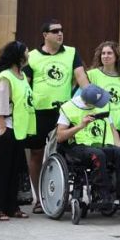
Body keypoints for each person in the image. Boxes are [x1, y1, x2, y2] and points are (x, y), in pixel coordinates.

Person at [25, 19, 85, 214]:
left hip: (63, 113)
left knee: (62, 154)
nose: (60, 34)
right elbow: (25, 84)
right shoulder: (32, 56)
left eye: (62, 30)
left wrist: (91, 98)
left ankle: (60, 196)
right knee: (36, 154)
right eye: (55, 31)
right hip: (37, 113)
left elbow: (81, 78)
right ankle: (39, 198)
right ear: (45, 35)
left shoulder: (72, 52)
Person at [57, 83, 120, 206]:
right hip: (78, 146)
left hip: (101, 143)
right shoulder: (68, 108)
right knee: (98, 155)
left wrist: (119, 146)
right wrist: (80, 126)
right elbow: (60, 137)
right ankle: (102, 195)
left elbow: (112, 129)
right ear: (88, 103)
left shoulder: (104, 106)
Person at [0, 41, 34, 221]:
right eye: (26, 51)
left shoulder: (21, 75)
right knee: (1, 169)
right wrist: (3, 128)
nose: (29, 54)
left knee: (16, 169)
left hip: (19, 129)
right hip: (7, 128)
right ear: (18, 55)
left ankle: (12, 206)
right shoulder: (5, 76)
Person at [85, 41, 120, 131]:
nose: (105, 56)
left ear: (116, 56)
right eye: (103, 53)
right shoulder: (91, 75)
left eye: (109, 53)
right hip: (100, 124)